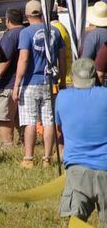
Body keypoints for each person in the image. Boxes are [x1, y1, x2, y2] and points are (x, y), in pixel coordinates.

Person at [13, 0, 66, 169]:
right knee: (49, 121)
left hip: (31, 82)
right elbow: (62, 59)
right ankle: (47, 159)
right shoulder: (55, 31)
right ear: (41, 14)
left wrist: (16, 84)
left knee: (29, 121)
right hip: (50, 81)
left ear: (27, 15)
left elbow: (24, 59)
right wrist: (62, 80)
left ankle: (28, 158)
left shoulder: (26, 33)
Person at [56, 58, 107, 226]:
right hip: (105, 167)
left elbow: (59, 129)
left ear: (73, 77)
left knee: (76, 221)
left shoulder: (62, 97)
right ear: (96, 77)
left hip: (76, 170)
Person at [0, 8, 24, 149]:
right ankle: (24, 138)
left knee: (4, 115)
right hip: (22, 81)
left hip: (8, 83)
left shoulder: (11, 35)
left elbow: (5, 59)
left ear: (8, 20)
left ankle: (7, 144)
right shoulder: (26, 31)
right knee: (17, 114)